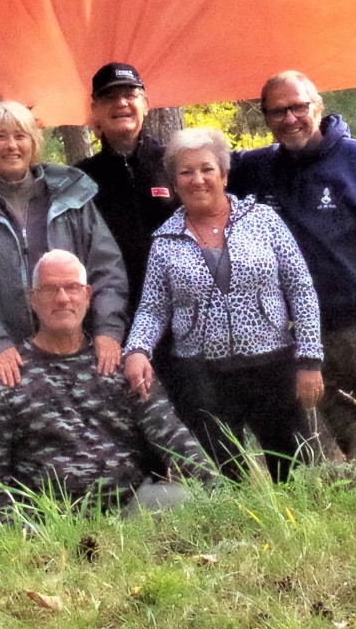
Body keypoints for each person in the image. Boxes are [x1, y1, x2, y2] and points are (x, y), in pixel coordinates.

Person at [229, 71, 356, 461]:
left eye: (298, 107)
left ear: (318, 107)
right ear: (265, 117)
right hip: (314, 336)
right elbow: (206, 165)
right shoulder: (259, 171)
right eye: (277, 112)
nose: (290, 119)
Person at [122, 127, 324, 481]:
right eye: (186, 172)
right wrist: (137, 349)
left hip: (273, 366)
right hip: (202, 376)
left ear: (224, 174)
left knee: (295, 475)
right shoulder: (165, 240)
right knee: (230, 481)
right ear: (174, 181)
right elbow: (153, 308)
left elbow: (301, 290)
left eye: (206, 169)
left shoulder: (263, 221)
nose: (197, 180)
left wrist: (309, 359)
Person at [0, 250, 212, 523]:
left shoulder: (122, 365)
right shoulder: (6, 376)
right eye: (50, 289)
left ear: (87, 296)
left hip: (130, 511)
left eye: (72, 288)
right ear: (33, 299)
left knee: (184, 500)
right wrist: (15, 540)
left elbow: (172, 436)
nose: (63, 298)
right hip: (50, 522)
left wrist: (224, 500)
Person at [0, 99, 129, 394]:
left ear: (34, 143)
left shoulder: (71, 197)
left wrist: (108, 330)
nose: (11, 146)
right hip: (7, 363)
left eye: (20, 136)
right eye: (0, 136)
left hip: (77, 355)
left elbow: (107, 270)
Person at [74, 63, 174, 293]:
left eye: (130, 95)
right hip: (113, 310)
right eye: (109, 97)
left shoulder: (174, 163)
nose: (121, 103)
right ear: (95, 111)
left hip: (179, 309)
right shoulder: (81, 179)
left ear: (145, 105)